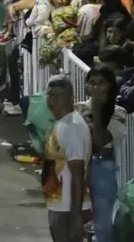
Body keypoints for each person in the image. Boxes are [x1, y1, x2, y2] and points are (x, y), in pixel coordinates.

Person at [77, 65, 125, 242]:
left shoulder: (119, 112)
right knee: (75, 219)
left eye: (101, 82)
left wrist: (96, 110)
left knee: (102, 223)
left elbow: (99, 141)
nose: (96, 87)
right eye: (92, 83)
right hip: (78, 168)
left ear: (110, 85)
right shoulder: (78, 109)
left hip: (103, 168)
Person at [43, 75, 91, 242]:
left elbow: (78, 173)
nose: (53, 100)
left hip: (67, 209)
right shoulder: (62, 123)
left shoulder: (72, 127)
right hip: (59, 204)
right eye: (50, 95)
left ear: (71, 98)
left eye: (59, 95)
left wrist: (76, 216)